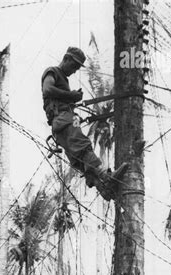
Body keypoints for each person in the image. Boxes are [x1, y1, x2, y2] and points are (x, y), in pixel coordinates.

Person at [42, 46, 128, 201]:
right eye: (74, 66)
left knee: (79, 160)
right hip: (63, 118)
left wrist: (72, 98)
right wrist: (72, 96)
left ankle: (103, 188)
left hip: (61, 123)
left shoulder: (64, 79)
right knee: (82, 145)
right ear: (66, 58)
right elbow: (47, 90)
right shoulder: (53, 71)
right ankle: (105, 176)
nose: (75, 70)